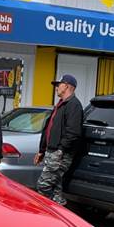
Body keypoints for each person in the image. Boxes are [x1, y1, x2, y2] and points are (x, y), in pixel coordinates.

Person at [34, 74, 84, 205]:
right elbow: (48, 128)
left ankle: (47, 214)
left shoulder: (74, 105)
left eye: (58, 85)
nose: (56, 88)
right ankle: (59, 214)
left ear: (67, 86)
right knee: (56, 189)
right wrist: (42, 150)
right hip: (52, 152)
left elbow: (73, 133)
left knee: (43, 185)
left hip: (61, 154)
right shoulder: (61, 104)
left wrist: (60, 150)